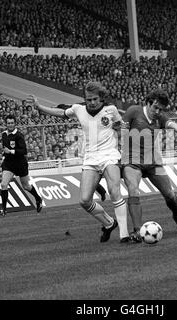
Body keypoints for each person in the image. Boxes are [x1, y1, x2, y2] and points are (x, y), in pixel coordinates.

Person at [28, 82, 130, 243]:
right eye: (89, 99)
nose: (92, 102)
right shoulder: (78, 109)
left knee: (114, 191)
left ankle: (124, 235)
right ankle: (109, 223)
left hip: (110, 155)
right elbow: (61, 112)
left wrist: (122, 133)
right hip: (90, 158)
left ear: (101, 98)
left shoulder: (111, 110)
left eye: (95, 99)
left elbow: (120, 127)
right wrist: (40, 107)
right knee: (84, 200)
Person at [121, 88, 177, 242]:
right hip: (132, 161)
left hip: (153, 162)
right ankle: (137, 231)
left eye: (161, 109)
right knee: (133, 190)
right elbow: (121, 131)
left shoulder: (160, 118)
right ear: (148, 103)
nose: (158, 111)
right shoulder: (133, 111)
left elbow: (176, 127)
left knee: (169, 194)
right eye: (155, 107)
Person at [0, 115, 43, 216]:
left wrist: (11, 151)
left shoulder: (19, 135)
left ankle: (38, 199)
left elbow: (24, 151)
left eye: (12, 123)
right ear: (6, 124)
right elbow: (5, 149)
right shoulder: (4, 134)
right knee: (3, 184)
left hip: (20, 164)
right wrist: (4, 157)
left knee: (26, 186)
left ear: (15, 123)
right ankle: (3, 210)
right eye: (8, 123)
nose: (10, 125)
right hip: (8, 164)